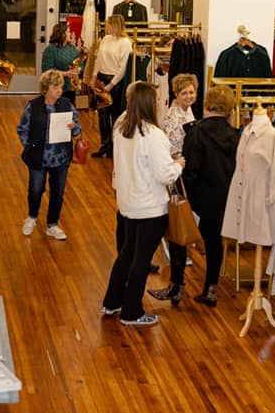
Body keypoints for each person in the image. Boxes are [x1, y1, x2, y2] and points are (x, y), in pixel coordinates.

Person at [102, 82, 184, 327]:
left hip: (128, 201)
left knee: (127, 253)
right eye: (157, 99)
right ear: (149, 103)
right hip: (150, 206)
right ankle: (131, 311)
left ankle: (112, 301)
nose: (160, 103)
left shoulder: (121, 127)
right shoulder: (153, 135)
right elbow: (164, 174)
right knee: (141, 259)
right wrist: (179, 165)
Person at [176, 85, 240, 307]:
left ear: (207, 104)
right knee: (215, 243)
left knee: (180, 236)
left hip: (199, 197)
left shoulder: (196, 132)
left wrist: (189, 196)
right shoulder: (236, 135)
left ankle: (177, 285)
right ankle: (211, 286)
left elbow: (189, 169)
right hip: (224, 196)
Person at [148, 73, 198, 305]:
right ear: (176, 95)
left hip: (184, 174)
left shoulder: (188, 112)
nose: (189, 96)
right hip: (175, 177)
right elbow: (169, 148)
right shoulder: (172, 117)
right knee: (177, 226)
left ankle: (178, 282)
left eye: (191, 92)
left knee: (179, 225)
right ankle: (176, 281)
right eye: (184, 93)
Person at [17, 70, 82, 241]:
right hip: (38, 157)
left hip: (60, 157)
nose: (59, 91)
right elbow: (22, 128)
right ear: (45, 89)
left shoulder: (67, 104)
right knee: (36, 190)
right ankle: (31, 217)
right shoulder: (33, 106)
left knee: (58, 193)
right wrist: (29, 146)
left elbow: (78, 130)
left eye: (60, 87)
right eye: (55, 87)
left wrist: (73, 127)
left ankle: (52, 224)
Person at [91, 14, 132, 158]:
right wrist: (93, 77)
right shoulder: (105, 39)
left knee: (115, 115)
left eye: (108, 24)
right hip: (101, 78)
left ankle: (116, 146)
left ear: (115, 25)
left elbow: (123, 68)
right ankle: (105, 145)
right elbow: (98, 59)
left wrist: (111, 85)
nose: (106, 27)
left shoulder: (126, 43)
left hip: (115, 81)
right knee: (102, 115)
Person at [41, 22, 81, 103]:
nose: (70, 34)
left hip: (70, 88)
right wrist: (66, 73)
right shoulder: (50, 49)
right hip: (54, 88)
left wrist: (78, 70)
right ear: (62, 34)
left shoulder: (71, 48)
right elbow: (47, 70)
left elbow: (80, 62)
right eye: (68, 32)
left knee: (68, 112)